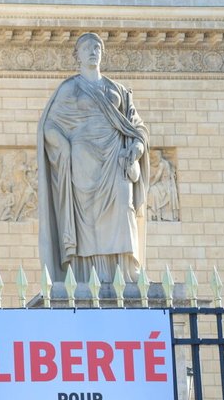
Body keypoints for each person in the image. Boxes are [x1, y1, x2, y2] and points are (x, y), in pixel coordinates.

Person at [37, 32, 150, 285]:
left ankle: (126, 271)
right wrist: (63, 148)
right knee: (86, 220)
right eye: (86, 47)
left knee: (124, 206)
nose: (93, 51)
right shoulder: (69, 89)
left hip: (116, 159)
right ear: (76, 55)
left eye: (97, 47)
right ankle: (87, 274)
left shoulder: (117, 90)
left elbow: (136, 126)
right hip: (83, 161)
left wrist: (137, 149)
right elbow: (50, 126)